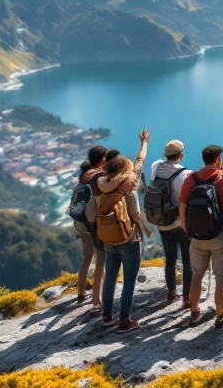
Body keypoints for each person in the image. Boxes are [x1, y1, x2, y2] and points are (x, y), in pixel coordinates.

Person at [179, 127, 223, 328]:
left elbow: (182, 207)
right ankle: (220, 316)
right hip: (219, 237)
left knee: (196, 275)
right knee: (220, 278)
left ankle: (194, 312)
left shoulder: (190, 179)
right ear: (218, 159)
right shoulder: (222, 178)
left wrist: (187, 231)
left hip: (196, 237)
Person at [95, 130, 151, 333]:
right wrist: (144, 142)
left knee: (109, 277)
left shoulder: (103, 183)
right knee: (129, 281)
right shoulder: (130, 184)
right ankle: (124, 320)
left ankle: (107, 316)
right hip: (128, 238)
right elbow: (140, 159)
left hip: (109, 238)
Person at [149, 139, 193, 308]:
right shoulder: (185, 174)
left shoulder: (156, 168)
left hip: (162, 222)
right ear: (181, 155)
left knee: (170, 259)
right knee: (187, 260)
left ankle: (171, 292)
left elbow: (158, 165)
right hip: (179, 223)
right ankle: (187, 296)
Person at [75, 145, 108, 314]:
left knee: (87, 258)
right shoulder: (98, 176)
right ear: (102, 159)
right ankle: (98, 300)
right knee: (100, 260)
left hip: (81, 222)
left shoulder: (83, 174)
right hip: (94, 224)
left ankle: (80, 294)